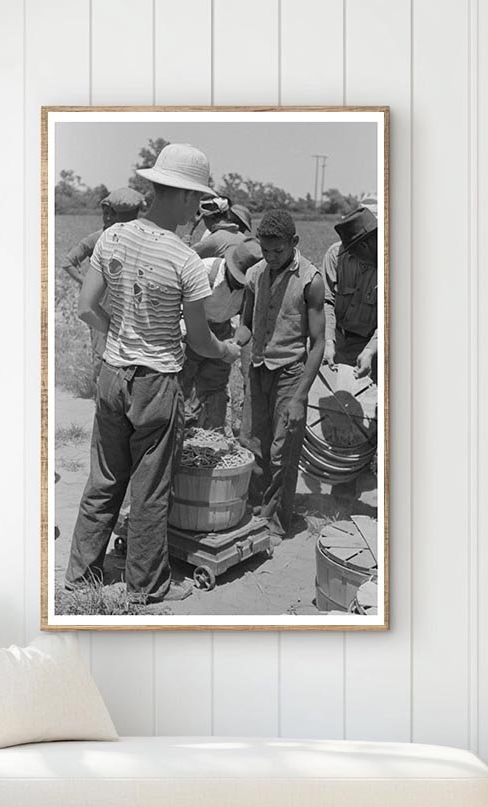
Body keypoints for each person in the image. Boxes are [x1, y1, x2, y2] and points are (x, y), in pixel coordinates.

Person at [65, 144, 241, 605]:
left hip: (112, 376)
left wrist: (118, 332)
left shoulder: (113, 238)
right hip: (156, 383)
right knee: (149, 489)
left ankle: (81, 575)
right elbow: (201, 341)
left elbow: (86, 308)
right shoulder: (184, 261)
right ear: (183, 197)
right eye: (196, 201)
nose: (195, 212)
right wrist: (225, 351)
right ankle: (147, 587)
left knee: (104, 478)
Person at [236, 209, 326, 542]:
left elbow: (318, 344)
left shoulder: (310, 280)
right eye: (265, 250)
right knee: (253, 444)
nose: (272, 258)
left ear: (294, 243)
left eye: (279, 251)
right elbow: (245, 325)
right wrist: (233, 346)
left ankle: (275, 522)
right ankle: (257, 511)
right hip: (258, 370)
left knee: (282, 449)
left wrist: (301, 396)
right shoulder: (255, 275)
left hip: (291, 374)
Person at [180, 239, 263, 430]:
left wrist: (236, 342)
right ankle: (179, 437)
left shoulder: (251, 286)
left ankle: (212, 436)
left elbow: (246, 323)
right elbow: (176, 309)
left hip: (222, 331)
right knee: (180, 386)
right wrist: (190, 337)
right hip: (190, 329)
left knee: (215, 388)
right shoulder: (203, 271)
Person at [322, 205, 379, 379]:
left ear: (363, 245)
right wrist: (328, 340)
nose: (350, 254)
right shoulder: (334, 255)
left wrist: (371, 350)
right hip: (337, 340)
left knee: (372, 401)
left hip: (372, 346)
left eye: (352, 250)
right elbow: (326, 301)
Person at [59, 187, 146, 286]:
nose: (108, 218)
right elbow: (67, 263)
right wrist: (86, 284)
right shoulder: (95, 238)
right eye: (105, 214)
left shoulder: (131, 237)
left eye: (112, 214)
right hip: (99, 298)